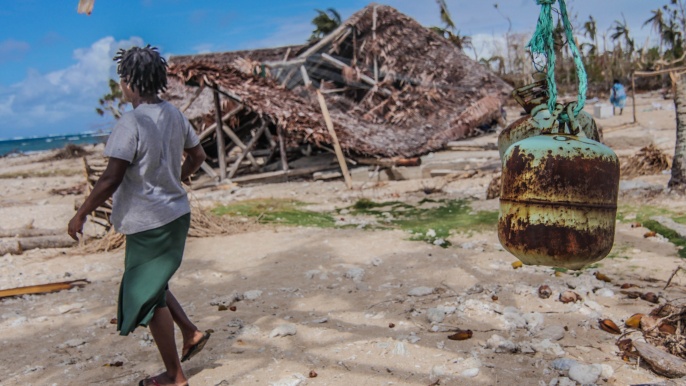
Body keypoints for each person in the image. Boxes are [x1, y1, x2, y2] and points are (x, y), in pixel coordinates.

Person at [67, 45, 209, 386]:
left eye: (121, 79)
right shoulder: (173, 114)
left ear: (130, 82)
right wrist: (179, 177)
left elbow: (111, 178)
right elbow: (198, 154)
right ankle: (190, 333)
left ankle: (175, 376)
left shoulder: (131, 122)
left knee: (143, 296)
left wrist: (81, 214)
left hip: (149, 223)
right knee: (153, 283)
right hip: (176, 215)